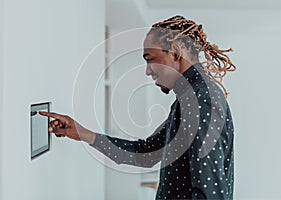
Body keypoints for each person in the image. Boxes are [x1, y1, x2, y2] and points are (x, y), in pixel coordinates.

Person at [40, 15, 236, 199]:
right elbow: (146, 154)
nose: (147, 71)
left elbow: (210, 194)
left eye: (150, 59)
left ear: (175, 52)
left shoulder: (202, 100)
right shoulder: (189, 99)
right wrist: (82, 133)